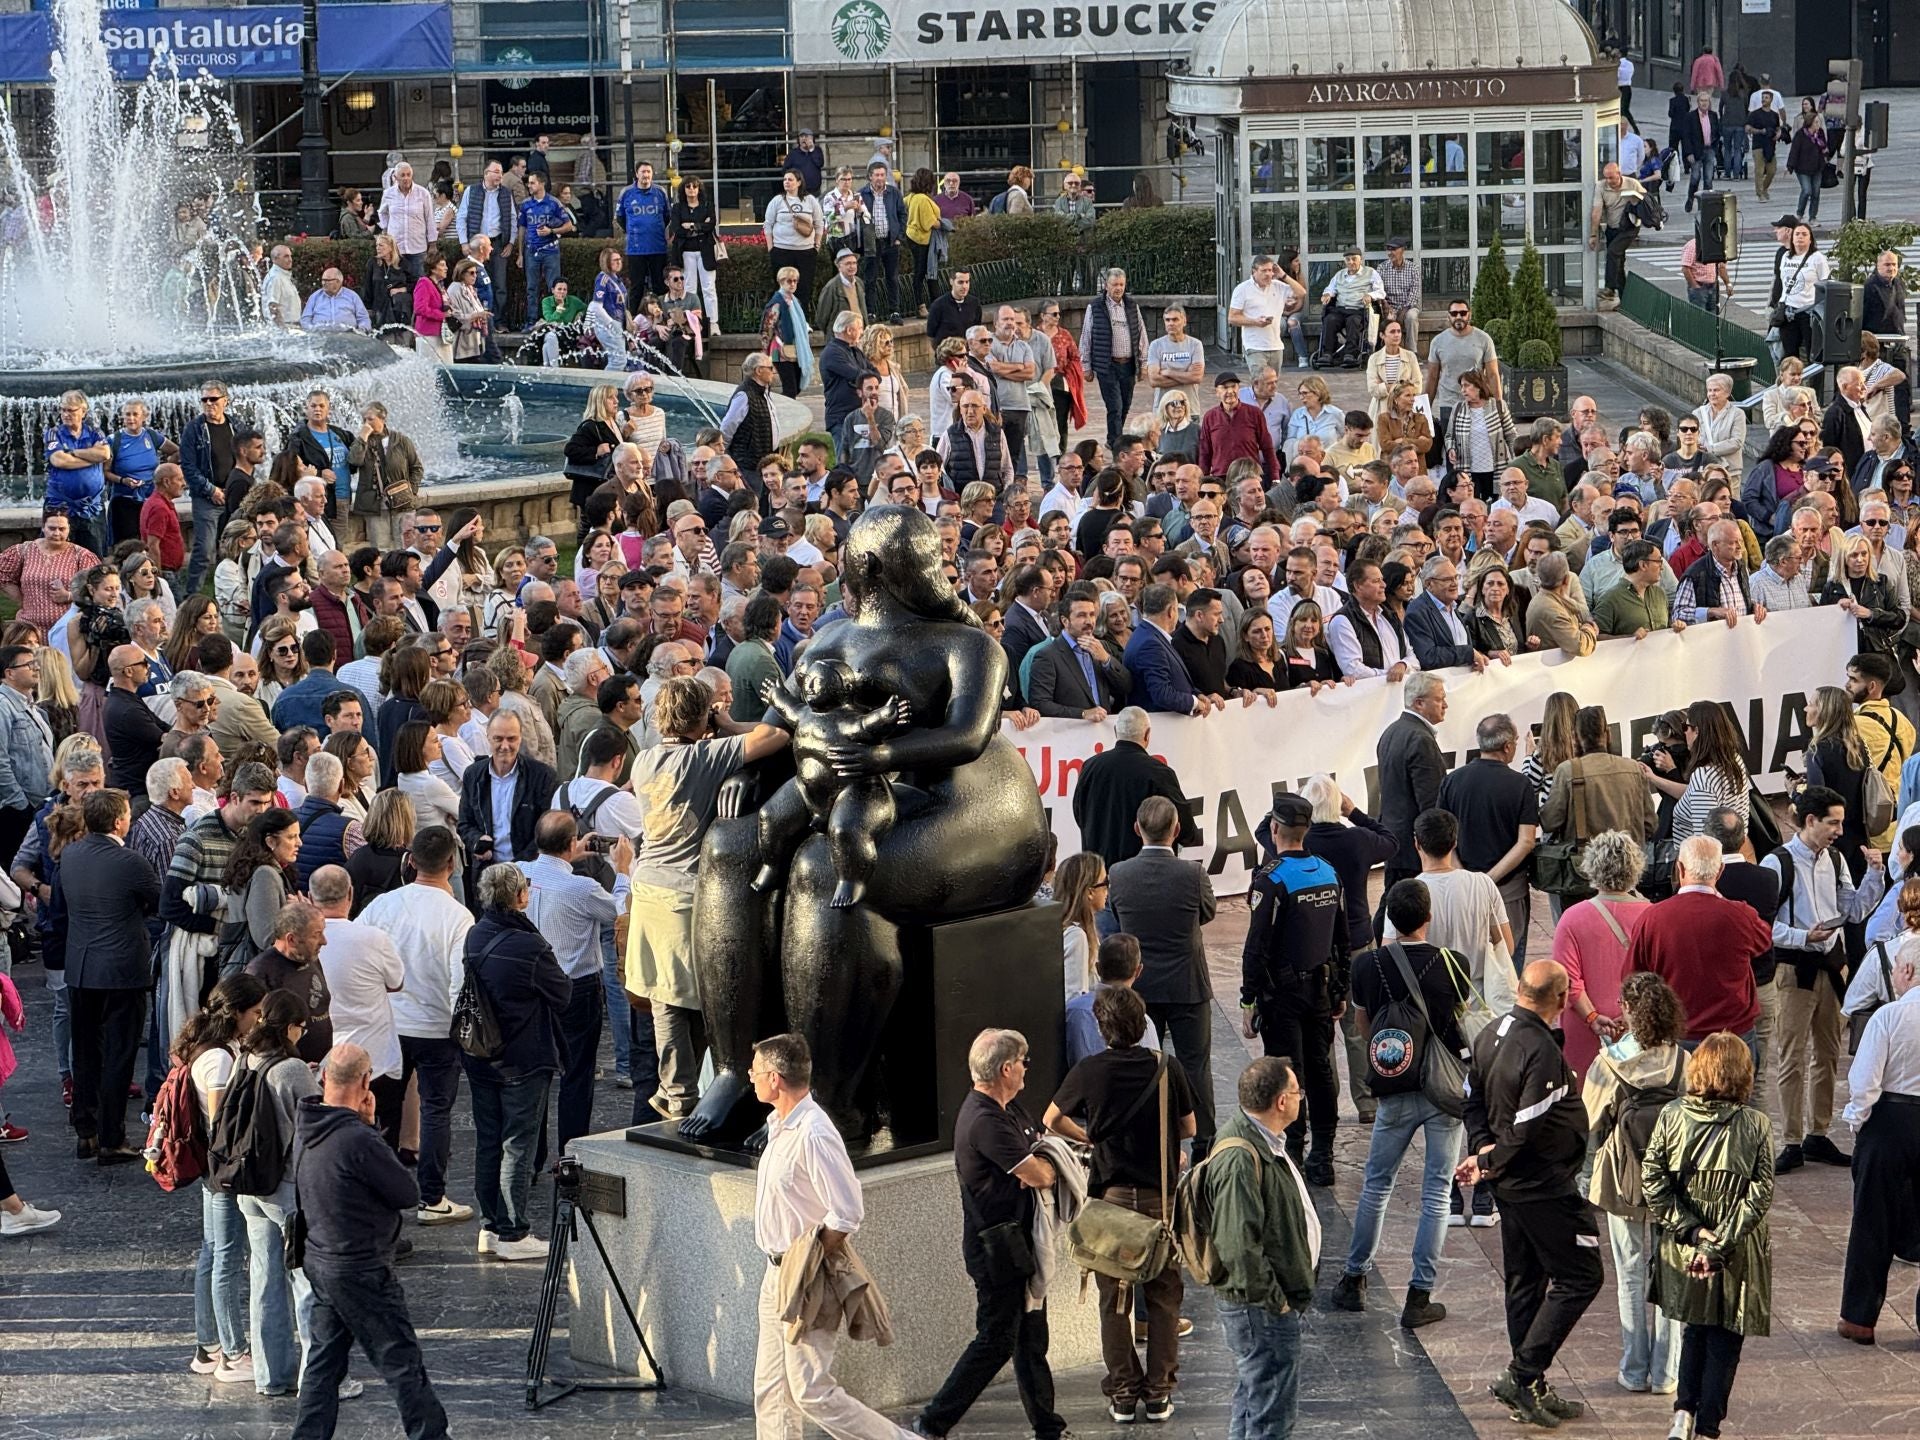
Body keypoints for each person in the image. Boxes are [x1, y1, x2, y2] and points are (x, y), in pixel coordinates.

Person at [747, 1033, 913, 1440]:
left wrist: (813, 1257)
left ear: (774, 1079)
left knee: (809, 1391)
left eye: (754, 1070)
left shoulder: (814, 1133)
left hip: (806, 1275)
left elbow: (848, 1210)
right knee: (772, 1389)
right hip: (776, 1273)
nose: (748, 1076)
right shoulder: (780, 1125)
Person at [1459, 960, 1602, 1429]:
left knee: (1525, 1283)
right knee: (1582, 1276)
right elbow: (1526, 1126)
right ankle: (1522, 1374)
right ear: (1561, 1000)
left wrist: (1483, 1151)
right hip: (1543, 1187)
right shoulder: (1539, 1049)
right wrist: (1488, 1159)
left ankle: (1532, 1383)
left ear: (1520, 990)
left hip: (1512, 1186)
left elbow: (1471, 1098)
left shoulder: (1491, 1031)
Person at [1043, 985, 1195, 1422]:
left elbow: (1051, 1119)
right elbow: (1189, 1126)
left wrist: (1087, 1136)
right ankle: (1160, 1392)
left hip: (1110, 1203)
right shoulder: (1167, 1068)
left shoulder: (1090, 1071)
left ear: (1102, 1026)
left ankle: (1123, 1393)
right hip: (1160, 1203)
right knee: (1165, 1299)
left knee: (1114, 1301)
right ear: (1143, 1021)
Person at [292, 1043, 452, 1438]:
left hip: (321, 1261)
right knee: (400, 1360)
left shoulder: (308, 1123)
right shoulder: (356, 1140)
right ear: (366, 1082)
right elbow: (406, 1193)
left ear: (325, 1077)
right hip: (360, 1267)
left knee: (324, 1363)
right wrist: (368, 1127)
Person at [916, 1029, 1068, 1440]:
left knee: (1031, 1337)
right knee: (997, 1340)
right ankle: (933, 1421)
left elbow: (1041, 1148)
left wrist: (1038, 1166)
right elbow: (1040, 1171)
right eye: (1023, 1061)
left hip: (1020, 1244)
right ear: (1006, 1069)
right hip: (997, 1250)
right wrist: (1041, 1170)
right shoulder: (984, 1120)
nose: (1026, 1069)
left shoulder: (1010, 1110)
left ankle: (1048, 1427)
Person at [1331, 876, 1467, 1328]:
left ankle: (1354, 1279)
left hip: (1393, 1086)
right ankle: (1419, 1294)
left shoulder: (1367, 967)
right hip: (1442, 1091)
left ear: (1390, 917)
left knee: (1376, 1184)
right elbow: (1457, 1022)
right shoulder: (1455, 964)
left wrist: (1393, 1061)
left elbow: (1364, 1026)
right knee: (1436, 1192)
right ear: (1430, 917)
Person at [1643, 1034, 1776, 1440]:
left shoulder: (1671, 1115)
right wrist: (1718, 1244)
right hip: (1737, 1248)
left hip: (1686, 1244)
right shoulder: (1756, 1124)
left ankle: (1682, 1413)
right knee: (1726, 1334)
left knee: (1694, 1328)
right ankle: (1708, 1427)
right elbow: (1760, 1193)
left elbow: (1653, 1182)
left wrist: (1695, 1233)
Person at [1761, 784, 1888, 1173]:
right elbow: (1763, 926)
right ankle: (1792, 1140)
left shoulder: (1834, 860)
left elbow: (1852, 910)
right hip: (1794, 966)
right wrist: (1802, 936)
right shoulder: (1776, 862)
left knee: (1829, 1053)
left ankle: (1817, 1133)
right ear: (1811, 820)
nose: (1839, 830)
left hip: (1832, 965)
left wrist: (1876, 875)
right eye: (1833, 823)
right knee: (1791, 1057)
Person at [357, 826, 476, 1225]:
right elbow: (461, 979)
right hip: (437, 1028)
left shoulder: (384, 905)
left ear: (410, 861)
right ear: (451, 864)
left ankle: (382, 1198)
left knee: (385, 1112)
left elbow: (362, 951)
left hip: (390, 1024)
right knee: (436, 1112)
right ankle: (432, 1197)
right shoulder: (458, 916)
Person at [1582, 971, 1689, 1396]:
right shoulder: (1684, 1061)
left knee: (1628, 1270)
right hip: (1673, 1181)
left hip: (1620, 1180)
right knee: (1671, 1271)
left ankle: (1633, 1367)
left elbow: (1589, 1122)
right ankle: (1667, 1373)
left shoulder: (1608, 1063)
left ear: (1627, 1011)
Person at [1201, 1057, 1319, 1440]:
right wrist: (1275, 1301)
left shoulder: (1263, 1140)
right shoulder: (1240, 1156)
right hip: (1261, 1308)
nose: (1302, 1097)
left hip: (1266, 1304)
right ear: (1281, 1102)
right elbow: (1238, 1246)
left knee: (1254, 1400)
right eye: (1297, 1091)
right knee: (1271, 1418)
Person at [459, 862, 569, 1261]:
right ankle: (514, 1232)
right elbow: (563, 993)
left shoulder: (476, 935)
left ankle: (490, 1226)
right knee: (517, 1144)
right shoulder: (529, 946)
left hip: (480, 1054)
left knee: (489, 1141)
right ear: (520, 897)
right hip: (524, 1059)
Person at [1239, 791, 1347, 1184]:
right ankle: (1323, 1156)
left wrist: (1248, 998)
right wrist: (1341, 990)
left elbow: (1257, 946)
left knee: (1289, 1074)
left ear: (1274, 829)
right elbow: (1342, 937)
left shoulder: (1271, 880)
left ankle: (1294, 1155)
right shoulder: (1328, 872)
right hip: (1319, 989)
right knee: (1320, 1072)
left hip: (1281, 995)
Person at [1108, 795, 1219, 1157]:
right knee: (1195, 1065)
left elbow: (1118, 920)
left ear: (1137, 829)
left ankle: (1149, 1141)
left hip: (1140, 987)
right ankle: (1203, 1145)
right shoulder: (1192, 874)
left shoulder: (1120, 874)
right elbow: (1207, 913)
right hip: (1188, 983)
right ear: (1176, 829)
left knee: (1142, 1065)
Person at [519, 810, 631, 1151]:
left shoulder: (519, 873)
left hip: (531, 988)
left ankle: (533, 1157)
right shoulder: (582, 888)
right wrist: (622, 870)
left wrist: (569, 855)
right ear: (571, 842)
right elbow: (618, 911)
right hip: (575, 988)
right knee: (577, 1074)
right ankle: (570, 1151)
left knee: (535, 1074)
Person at [61, 788, 160, 1165]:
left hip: (82, 968)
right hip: (121, 971)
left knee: (85, 1052)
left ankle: (86, 1130)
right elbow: (158, 900)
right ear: (120, 820)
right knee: (119, 1056)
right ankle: (111, 1137)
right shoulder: (130, 861)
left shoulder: (70, 854)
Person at [1439, 713, 1541, 965]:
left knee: (1467, 963)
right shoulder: (1520, 785)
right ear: (1507, 747)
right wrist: (1488, 880)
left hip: (1461, 891)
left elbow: (1443, 837)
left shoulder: (1452, 781)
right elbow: (1526, 841)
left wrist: (1467, 878)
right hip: (1508, 891)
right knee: (1508, 963)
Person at [1071, 707, 1198, 864]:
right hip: (1144, 876)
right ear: (1147, 734)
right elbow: (1185, 829)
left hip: (1097, 877)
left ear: (1116, 732)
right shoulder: (1158, 773)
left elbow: (1079, 815)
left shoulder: (1090, 767)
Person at [1375, 671, 1447, 911]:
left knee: (1392, 906)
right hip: (1413, 848)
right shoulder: (1420, 739)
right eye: (1439, 699)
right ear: (1419, 703)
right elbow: (1431, 804)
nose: (1445, 705)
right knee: (1407, 911)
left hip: (1395, 840)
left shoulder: (1391, 732)